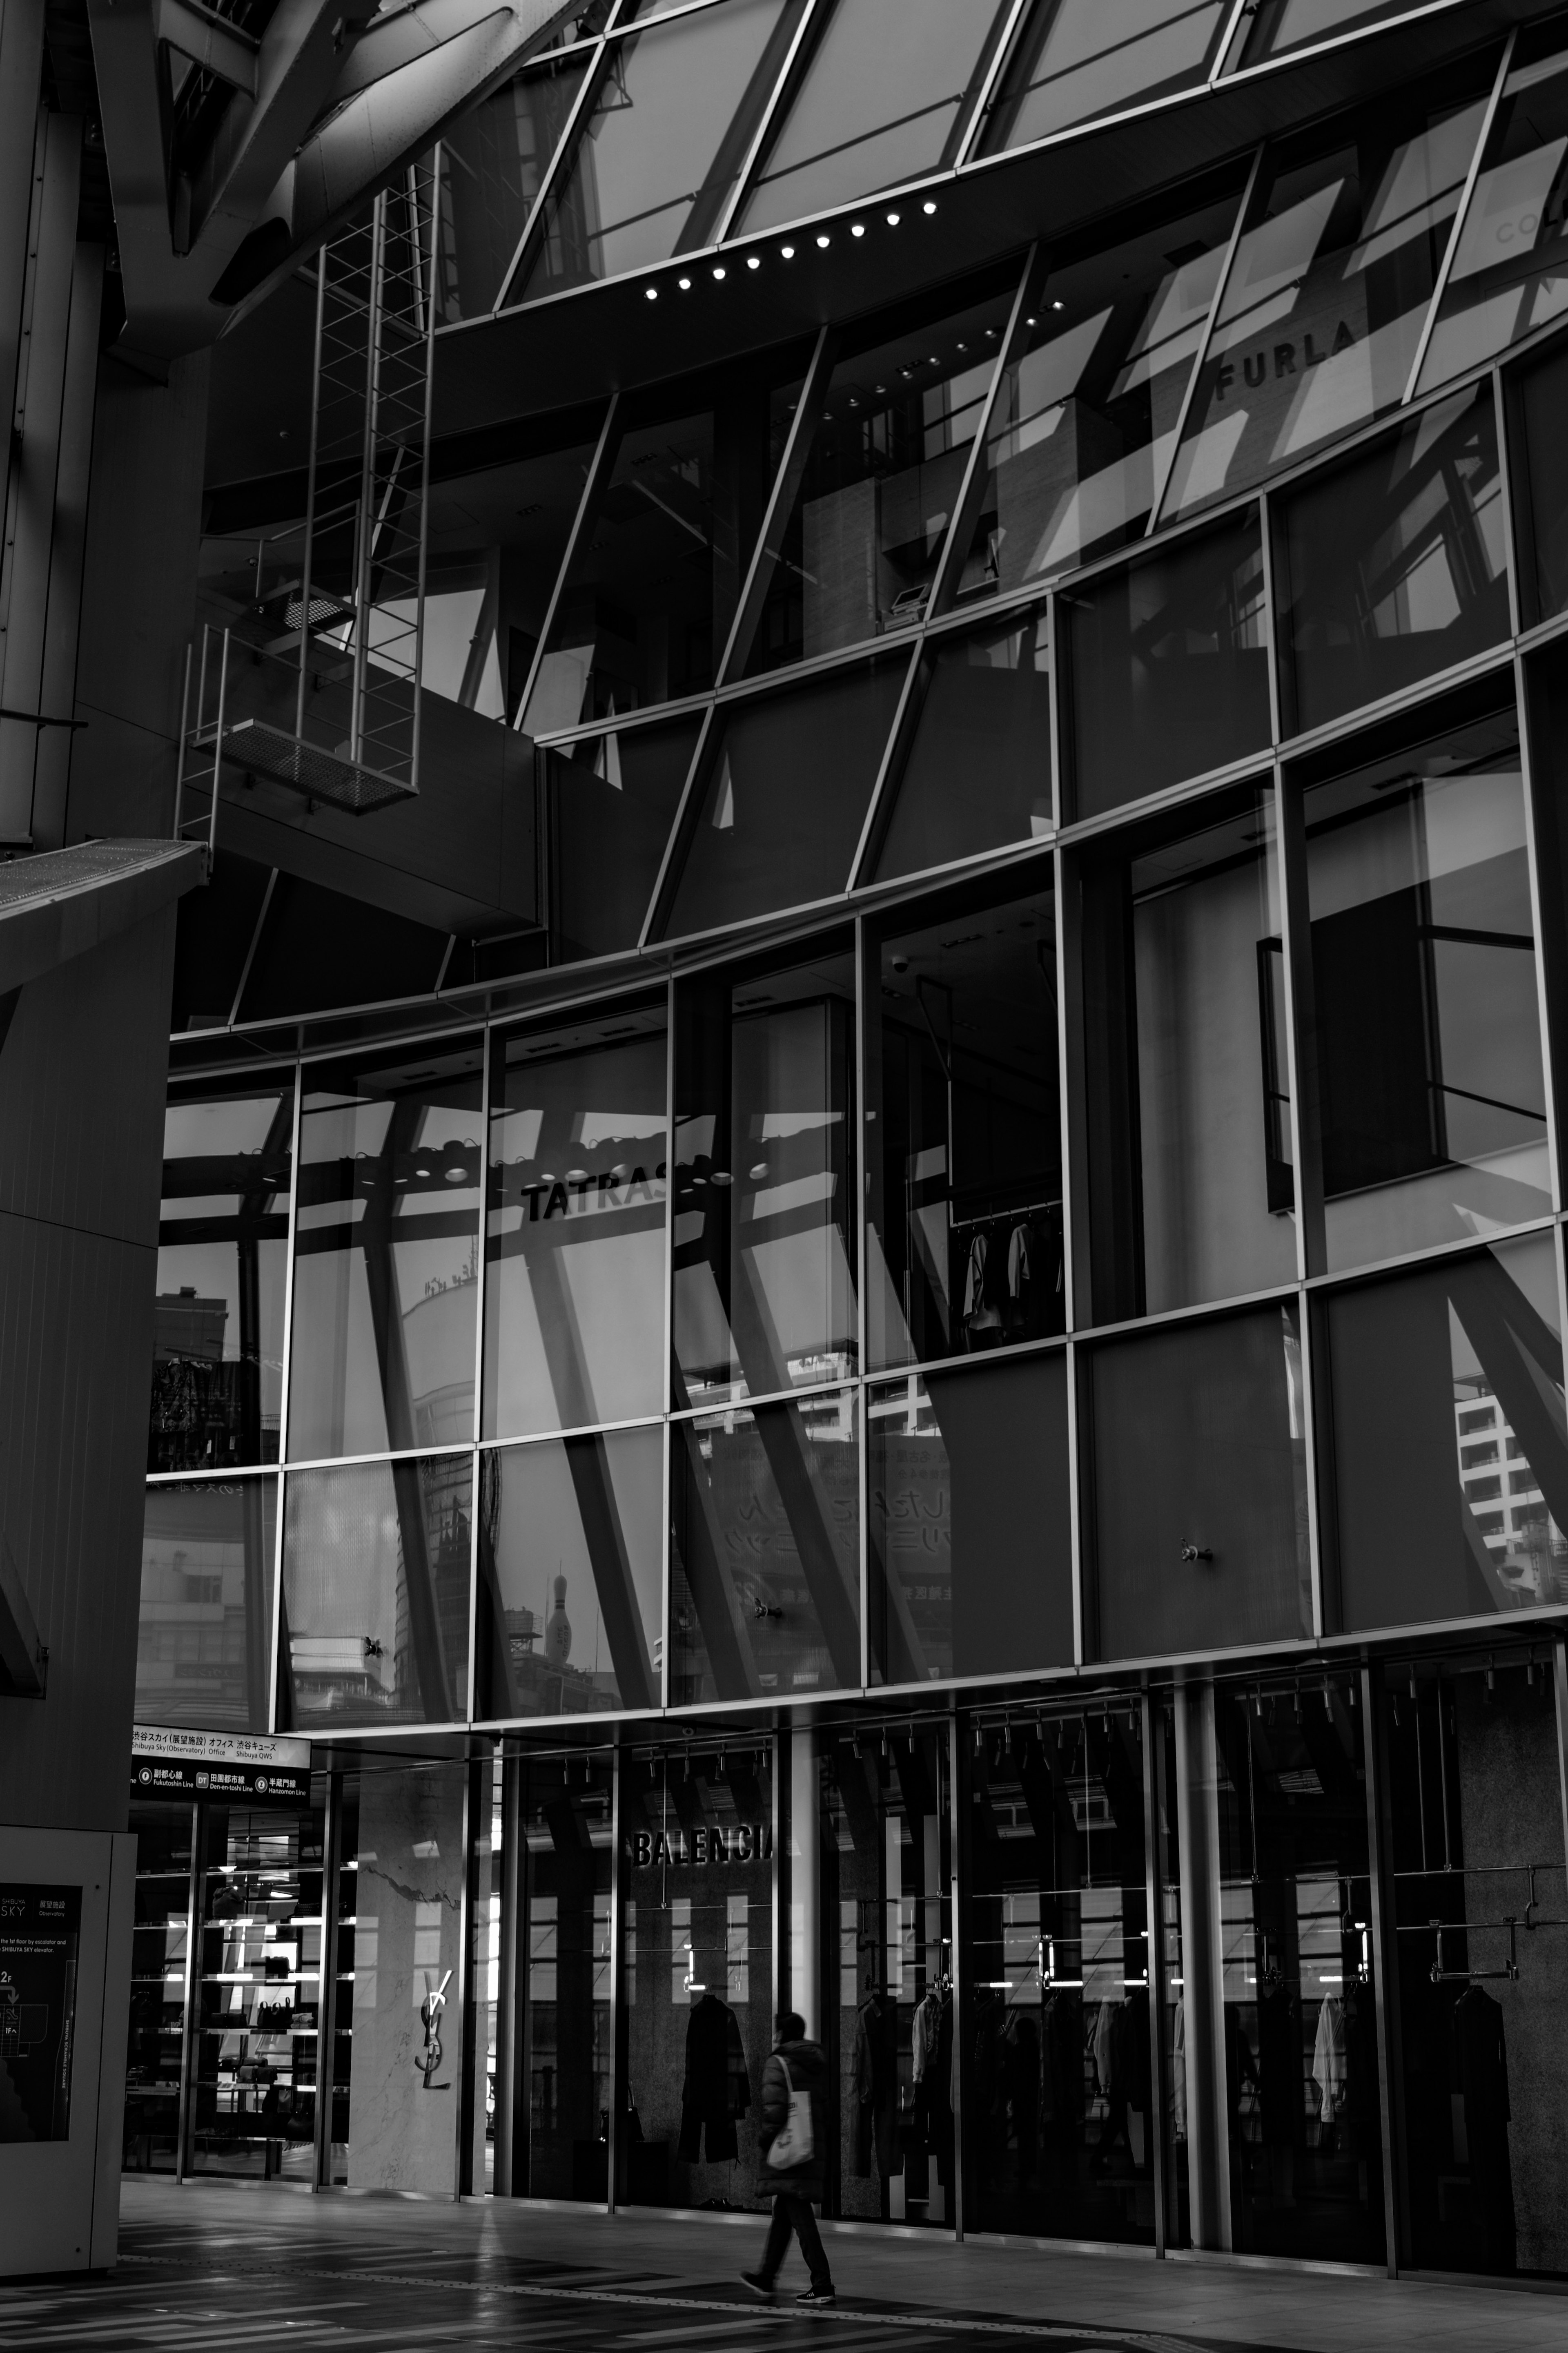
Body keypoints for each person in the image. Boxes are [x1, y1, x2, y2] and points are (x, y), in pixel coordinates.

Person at [741, 2011, 835, 2307]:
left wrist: (765, 2141)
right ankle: (767, 2276)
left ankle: (822, 2283)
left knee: (801, 2216)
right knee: (784, 2212)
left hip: (787, 2150)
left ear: (781, 2034)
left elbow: (775, 2110)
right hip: (809, 2145)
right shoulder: (816, 2062)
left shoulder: (778, 2061)